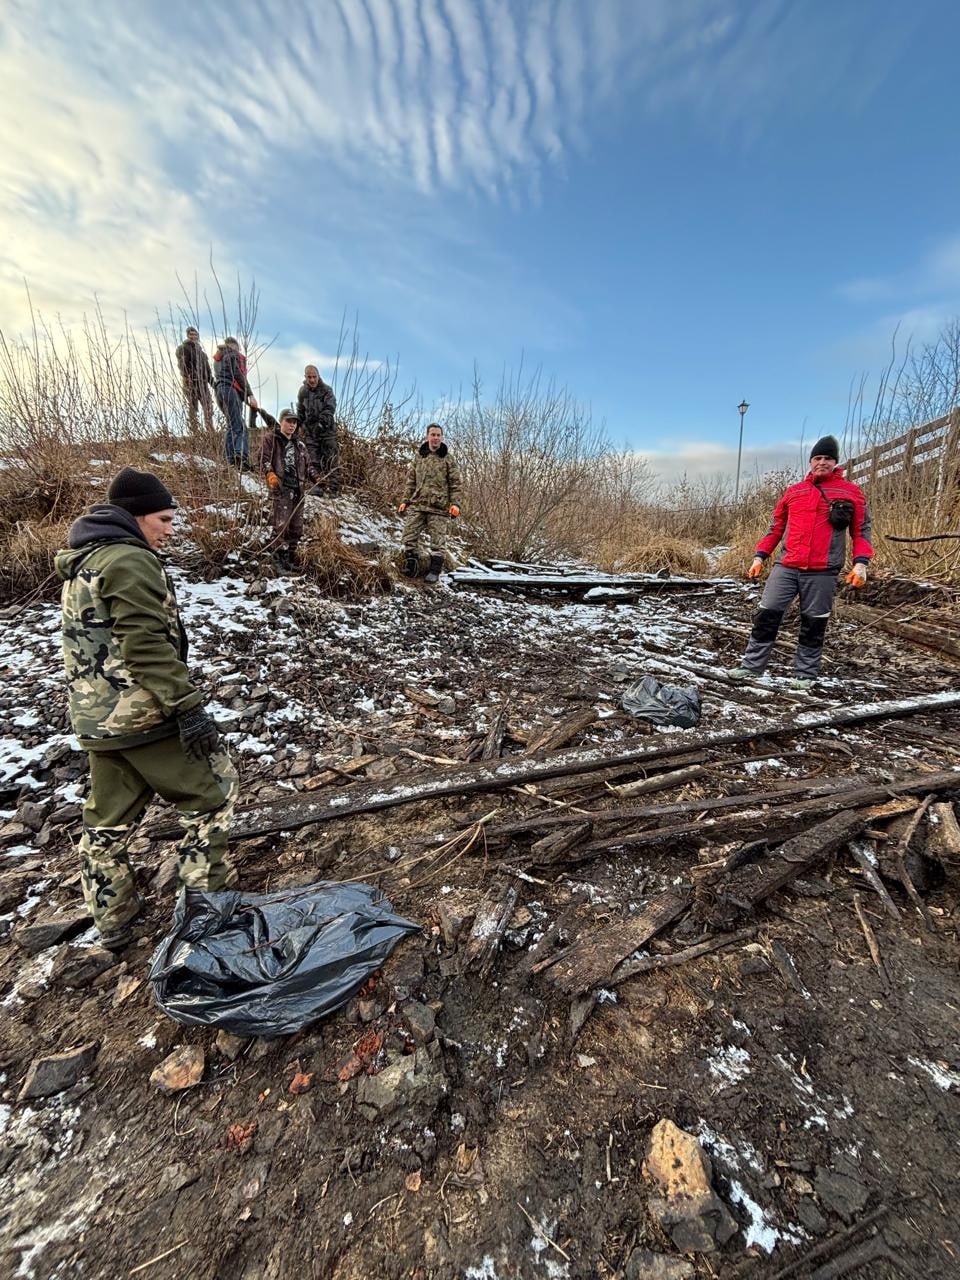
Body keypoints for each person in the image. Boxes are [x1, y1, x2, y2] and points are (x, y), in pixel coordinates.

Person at [55, 468, 239, 951]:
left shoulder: (84, 562)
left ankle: (114, 916)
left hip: (98, 720)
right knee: (215, 792)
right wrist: (189, 707)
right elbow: (145, 645)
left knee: (108, 820)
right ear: (135, 517)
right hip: (141, 716)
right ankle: (206, 912)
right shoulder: (129, 561)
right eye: (163, 518)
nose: (170, 528)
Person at [728, 435, 873, 690]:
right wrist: (760, 556)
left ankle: (805, 674)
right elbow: (776, 528)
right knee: (766, 614)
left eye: (828, 458)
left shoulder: (850, 492)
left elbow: (861, 531)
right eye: (817, 458)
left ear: (836, 462)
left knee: (814, 621)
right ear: (810, 461)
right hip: (787, 566)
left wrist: (861, 563)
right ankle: (751, 667)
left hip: (823, 571)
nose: (822, 463)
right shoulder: (795, 491)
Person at [397, 423, 464, 583]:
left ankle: (435, 571)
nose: (435, 438)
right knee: (409, 535)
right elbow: (411, 481)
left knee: (438, 541)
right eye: (433, 435)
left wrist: (456, 504)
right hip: (418, 504)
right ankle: (411, 566)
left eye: (438, 435)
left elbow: (456, 484)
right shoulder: (419, 457)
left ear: (442, 437)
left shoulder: (448, 459)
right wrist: (405, 501)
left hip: (439, 507)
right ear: (427, 436)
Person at [257, 407, 320, 569]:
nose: (292, 425)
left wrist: (317, 478)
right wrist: (269, 474)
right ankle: (277, 561)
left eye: (295, 422)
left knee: (297, 527)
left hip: (298, 489)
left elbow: (308, 466)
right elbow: (263, 458)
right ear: (281, 421)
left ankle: (290, 559)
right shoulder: (271, 439)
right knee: (281, 525)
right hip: (281, 488)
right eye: (289, 421)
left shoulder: (300, 445)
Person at [213, 337, 258, 468]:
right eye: (237, 348)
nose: (238, 352)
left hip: (220, 391)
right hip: (230, 390)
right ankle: (240, 457)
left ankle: (230, 458)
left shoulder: (218, 358)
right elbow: (238, 375)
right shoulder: (232, 354)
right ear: (233, 346)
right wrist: (250, 394)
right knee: (240, 426)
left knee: (231, 424)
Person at [297, 364, 339, 495]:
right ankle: (318, 487)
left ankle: (334, 488)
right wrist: (300, 425)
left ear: (318, 376)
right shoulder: (303, 392)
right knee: (313, 459)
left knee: (331, 458)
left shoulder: (327, 390)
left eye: (314, 377)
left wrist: (321, 424)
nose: (312, 380)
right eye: (309, 377)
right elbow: (300, 411)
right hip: (310, 431)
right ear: (305, 377)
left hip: (327, 430)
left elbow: (330, 409)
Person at [174, 326, 214, 431]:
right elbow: (182, 365)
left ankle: (209, 428)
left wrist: (214, 384)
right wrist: (189, 377)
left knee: (208, 405)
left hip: (203, 383)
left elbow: (208, 372)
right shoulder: (183, 348)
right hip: (190, 382)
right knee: (193, 406)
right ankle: (194, 430)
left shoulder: (202, 353)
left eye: (195, 334)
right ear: (187, 335)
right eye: (191, 334)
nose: (194, 336)